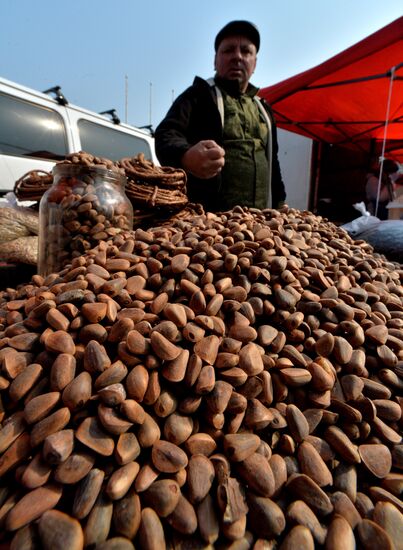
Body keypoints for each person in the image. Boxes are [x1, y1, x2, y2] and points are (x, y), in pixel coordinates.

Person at [154, 20, 286, 213]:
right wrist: (185, 155)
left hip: (260, 225)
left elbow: (273, 162)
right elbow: (166, 134)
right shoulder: (198, 95)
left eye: (246, 51)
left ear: (255, 63)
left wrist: (280, 203)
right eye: (228, 50)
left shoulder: (264, 109)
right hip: (207, 224)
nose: (237, 57)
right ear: (215, 61)